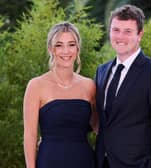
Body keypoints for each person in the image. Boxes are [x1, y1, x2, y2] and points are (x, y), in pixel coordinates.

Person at [95, 4, 151, 168]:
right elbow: (101, 119)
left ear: (140, 35)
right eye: (116, 30)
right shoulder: (101, 71)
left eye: (127, 31)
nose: (120, 36)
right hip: (102, 162)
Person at [23, 21, 98, 168]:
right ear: (51, 49)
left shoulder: (89, 85)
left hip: (84, 161)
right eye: (59, 45)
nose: (66, 51)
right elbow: (30, 136)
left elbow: (99, 127)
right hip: (49, 161)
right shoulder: (36, 86)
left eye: (71, 44)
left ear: (77, 48)